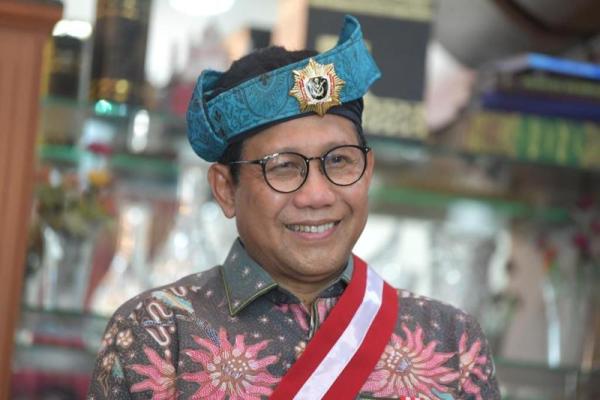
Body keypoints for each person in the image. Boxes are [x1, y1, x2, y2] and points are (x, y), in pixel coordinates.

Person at [88, 15, 500, 399]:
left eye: (339, 161)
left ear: (367, 171)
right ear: (225, 189)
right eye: (283, 167)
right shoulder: (158, 333)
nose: (317, 194)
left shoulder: (452, 342)